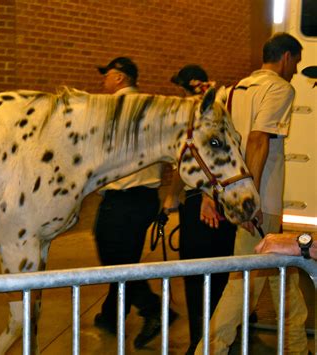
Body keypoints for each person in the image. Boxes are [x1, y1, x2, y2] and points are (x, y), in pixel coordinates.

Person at [195, 33, 309, 355]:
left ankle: (297, 347)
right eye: (296, 63)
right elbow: (258, 140)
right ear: (286, 57)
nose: (295, 70)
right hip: (260, 202)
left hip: (243, 198)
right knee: (242, 286)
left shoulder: (233, 91)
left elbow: (214, 145)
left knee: (281, 275)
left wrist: (212, 195)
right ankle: (210, 350)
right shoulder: (279, 88)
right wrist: (251, 200)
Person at [93, 57, 177, 349]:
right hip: (145, 199)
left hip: (121, 198)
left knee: (114, 261)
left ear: (120, 78)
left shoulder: (114, 108)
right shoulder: (154, 107)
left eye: (107, 75)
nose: (103, 81)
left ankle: (154, 310)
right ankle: (110, 315)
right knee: (124, 257)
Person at [163, 64, 237, 354]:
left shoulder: (196, 113)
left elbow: (184, 165)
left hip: (203, 205)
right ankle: (220, 337)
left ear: (188, 86)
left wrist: (173, 199)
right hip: (226, 200)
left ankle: (202, 342)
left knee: (197, 276)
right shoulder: (225, 105)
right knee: (221, 272)